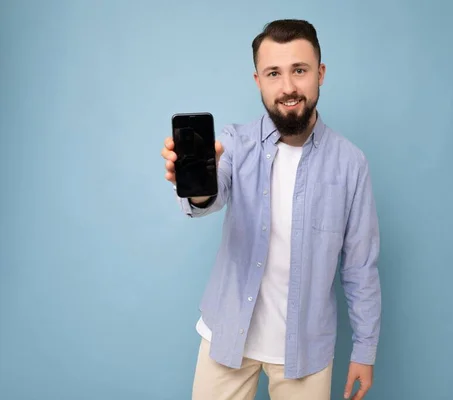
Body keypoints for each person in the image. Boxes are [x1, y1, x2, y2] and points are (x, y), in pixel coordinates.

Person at [161, 19, 381, 400]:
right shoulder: (233, 143)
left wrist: (364, 351)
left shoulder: (351, 163)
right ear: (258, 80)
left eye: (299, 70)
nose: (288, 87)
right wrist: (199, 190)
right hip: (228, 334)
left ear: (320, 73)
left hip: (305, 349)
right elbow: (211, 197)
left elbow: (360, 267)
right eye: (273, 73)